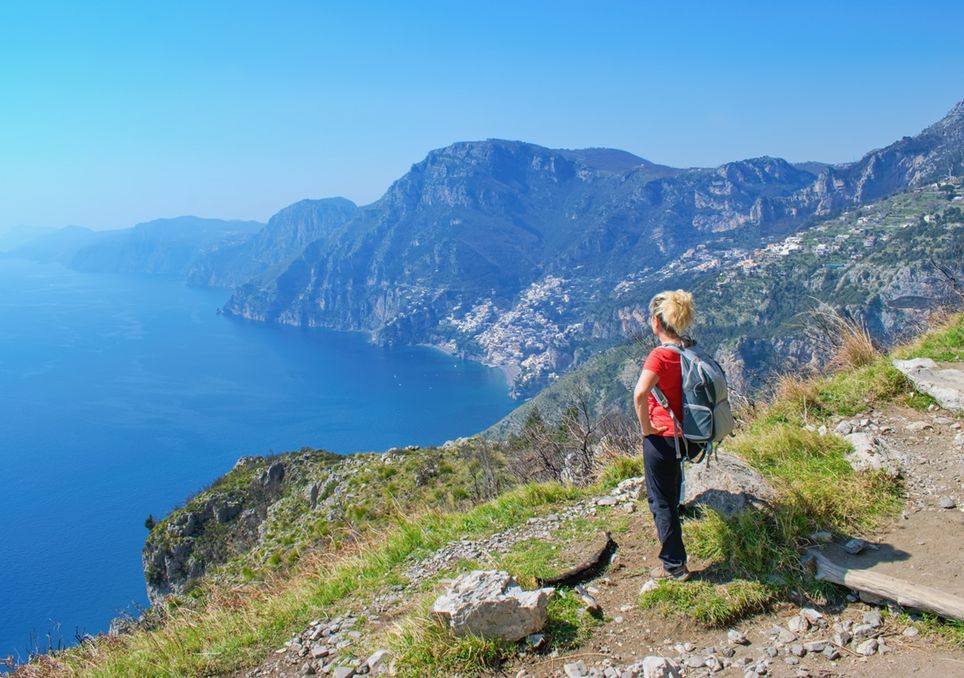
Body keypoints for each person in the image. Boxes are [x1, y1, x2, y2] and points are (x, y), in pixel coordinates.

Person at [632, 289, 696, 581]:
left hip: (661, 437)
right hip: (686, 435)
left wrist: (646, 428)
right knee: (672, 492)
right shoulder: (688, 349)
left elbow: (640, 393)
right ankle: (676, 552)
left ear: (657, 322)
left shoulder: (659, 356)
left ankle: (674, 565)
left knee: (660, 501)